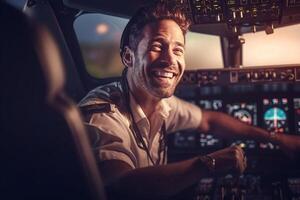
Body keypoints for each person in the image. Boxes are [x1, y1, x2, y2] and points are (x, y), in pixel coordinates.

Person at [79, 2, 300, 199]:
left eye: (178, 50)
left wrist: (277, 139)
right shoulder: (103, 114)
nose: (169, 60)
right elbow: (120, 186)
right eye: (157, 47)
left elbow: (210, 121)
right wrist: (207, 165)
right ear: (128, 57)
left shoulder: (162, 104)